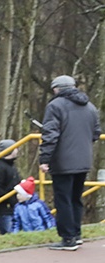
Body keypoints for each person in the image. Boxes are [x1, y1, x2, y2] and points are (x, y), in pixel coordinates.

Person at [39, 75, 101, 250]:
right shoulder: (90, 107)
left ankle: (68, 238)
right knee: (76, 199)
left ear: (56, 89)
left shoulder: (55, 106)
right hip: (84, 160)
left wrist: (44, 159)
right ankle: (76, 234)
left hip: (63, 161)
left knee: (63, 200)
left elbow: (50, 136)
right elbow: (96, 133)